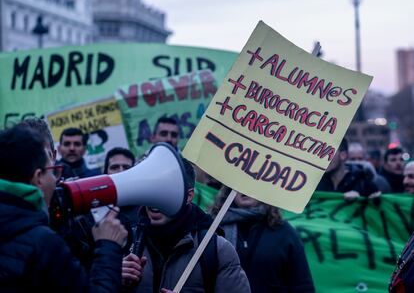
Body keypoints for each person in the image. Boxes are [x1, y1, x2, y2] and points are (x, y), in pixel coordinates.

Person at [0, 125, 128, 292]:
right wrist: (108, 247)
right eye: (52, 172)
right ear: (38, 178)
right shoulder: (43, 242)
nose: (55, 180)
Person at [121, 158, 251, 293]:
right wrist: (115, 281)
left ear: (188, 196)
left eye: (165, 190)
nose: (156, 198)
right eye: (152, 189)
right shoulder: (123, 241)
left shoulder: (217, 249)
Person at [210, 187, 315, 293]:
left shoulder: (285, 233)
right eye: (240, 183)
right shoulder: (212, 228)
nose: (245, 188)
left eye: (252, 183)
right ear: (229, 189)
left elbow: (302, 286)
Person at [316, 138, 380, 199]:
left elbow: (377, 207)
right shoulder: (316, 183)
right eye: (320, 152)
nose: (323, 157)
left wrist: (361, 200)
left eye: (329, 152)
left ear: (343, 155)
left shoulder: (363, 182)